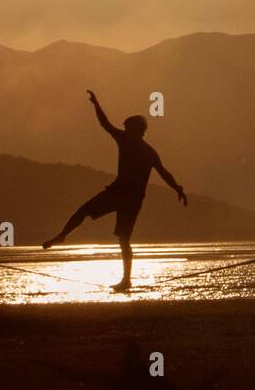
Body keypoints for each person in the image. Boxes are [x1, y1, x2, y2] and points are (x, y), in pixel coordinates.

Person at [43, 89, 187, 292]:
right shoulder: (149, 151)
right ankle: (125, 279)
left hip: (120, 193)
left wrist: (96, 104)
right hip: (134, 198)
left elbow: (105, 124)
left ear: (135, 129)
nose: (124, 129)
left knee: (87, 212)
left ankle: (63, 236)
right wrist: (178, 189)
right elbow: (165, 174)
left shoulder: (128, 140)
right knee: (123, 240)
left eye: (127, 127)